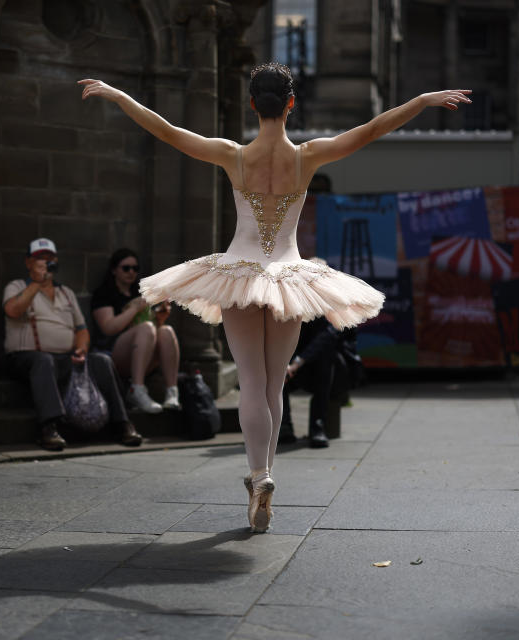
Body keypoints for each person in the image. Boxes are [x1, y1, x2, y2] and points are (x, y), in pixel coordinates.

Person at [78, 64, 470, 532]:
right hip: (289, 276)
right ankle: (266, 475)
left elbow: (166, 130)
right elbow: (372, 128)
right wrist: (423, 99)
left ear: (251, 105)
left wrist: (120, 95)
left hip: (238, 275)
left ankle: (259, 475)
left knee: (249, 380)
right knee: (273, 384)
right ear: (290, 105)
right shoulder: (308, 157)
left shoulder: (233, 155)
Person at [3, 238, 143, 451]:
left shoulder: (65, 293)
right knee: (43, 361)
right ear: (28, 263)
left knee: (101, 361)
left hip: (65, 358)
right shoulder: (17, 286)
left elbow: (81, 329)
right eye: (40, 258)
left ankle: (123, 423)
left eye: (49, 259)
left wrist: (81, 348)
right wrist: (36, 283)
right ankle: (49, 428)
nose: (45, 263)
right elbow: (13, 310)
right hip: (27, 357)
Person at [90, 248, 181, 414]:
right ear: (114, 270)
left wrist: (160, 318)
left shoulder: (138, 291)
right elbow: (109, 328)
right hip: (114, 354)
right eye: (126, 268)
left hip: (143, 353)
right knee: (146, 328)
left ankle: (172, 392)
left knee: (166, 330)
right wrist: (135, 308)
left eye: (135, 268)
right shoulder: (104, 293)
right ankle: (136, 390)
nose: (131, 272)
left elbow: (153, 329)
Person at [279, 316, 359, 449]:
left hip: (334, 372)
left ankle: (317, 426)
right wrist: (287, 362)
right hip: (299, 365)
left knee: (325, 358)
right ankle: (284, 425)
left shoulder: (338, 307)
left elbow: (328, 336)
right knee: (278, 369)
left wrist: (297, 362)